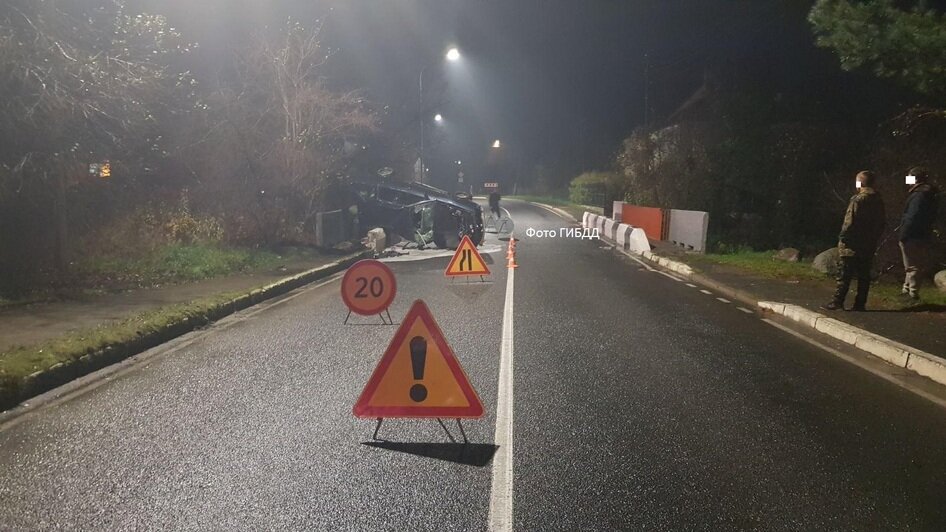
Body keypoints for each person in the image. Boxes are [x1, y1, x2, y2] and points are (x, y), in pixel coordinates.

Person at [822, 171, 885, 311]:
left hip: (852, 243)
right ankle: (860, 303)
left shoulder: (857, 200)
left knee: (845, 273)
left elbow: (850, 221)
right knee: (864, 274)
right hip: (868, 243)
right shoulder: (878, 199)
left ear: (860, 183)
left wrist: (843, 237)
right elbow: (881, 222)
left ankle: (838, 301)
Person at [898, 166, 940, 302]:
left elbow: (912, 216)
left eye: (909, 177)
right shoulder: (929, 194)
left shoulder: (919, 195)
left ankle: (912, 293)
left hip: (913, 234)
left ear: (915, 179)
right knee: (912, 264)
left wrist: (903, 233)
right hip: (922, 233)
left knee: (912, 264)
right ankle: (907, 289)